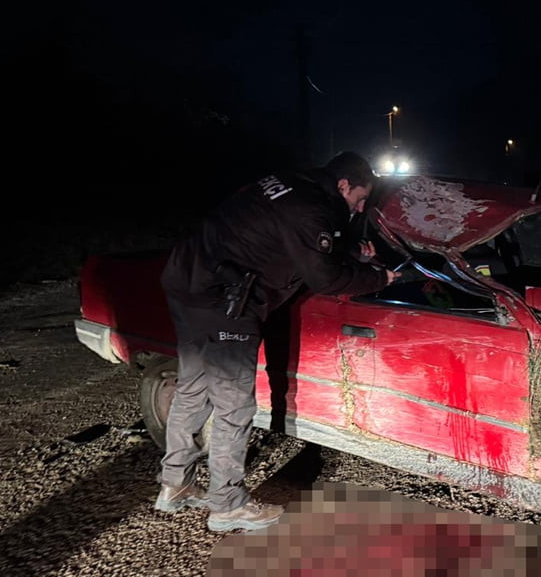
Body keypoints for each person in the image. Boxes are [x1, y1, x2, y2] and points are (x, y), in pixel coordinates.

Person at [155, 152, 398, 532]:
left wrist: (350, 251)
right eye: (359, 199)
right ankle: (227, 505)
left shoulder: (292, 183)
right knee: (233, 407)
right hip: (224, 301)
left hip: (188, 282)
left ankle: (175, 485)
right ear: (343, 185)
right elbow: (326, 279)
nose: (361, 207)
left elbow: (294, 238)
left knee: (193, 389)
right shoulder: (310, 209)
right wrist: (379, 279)